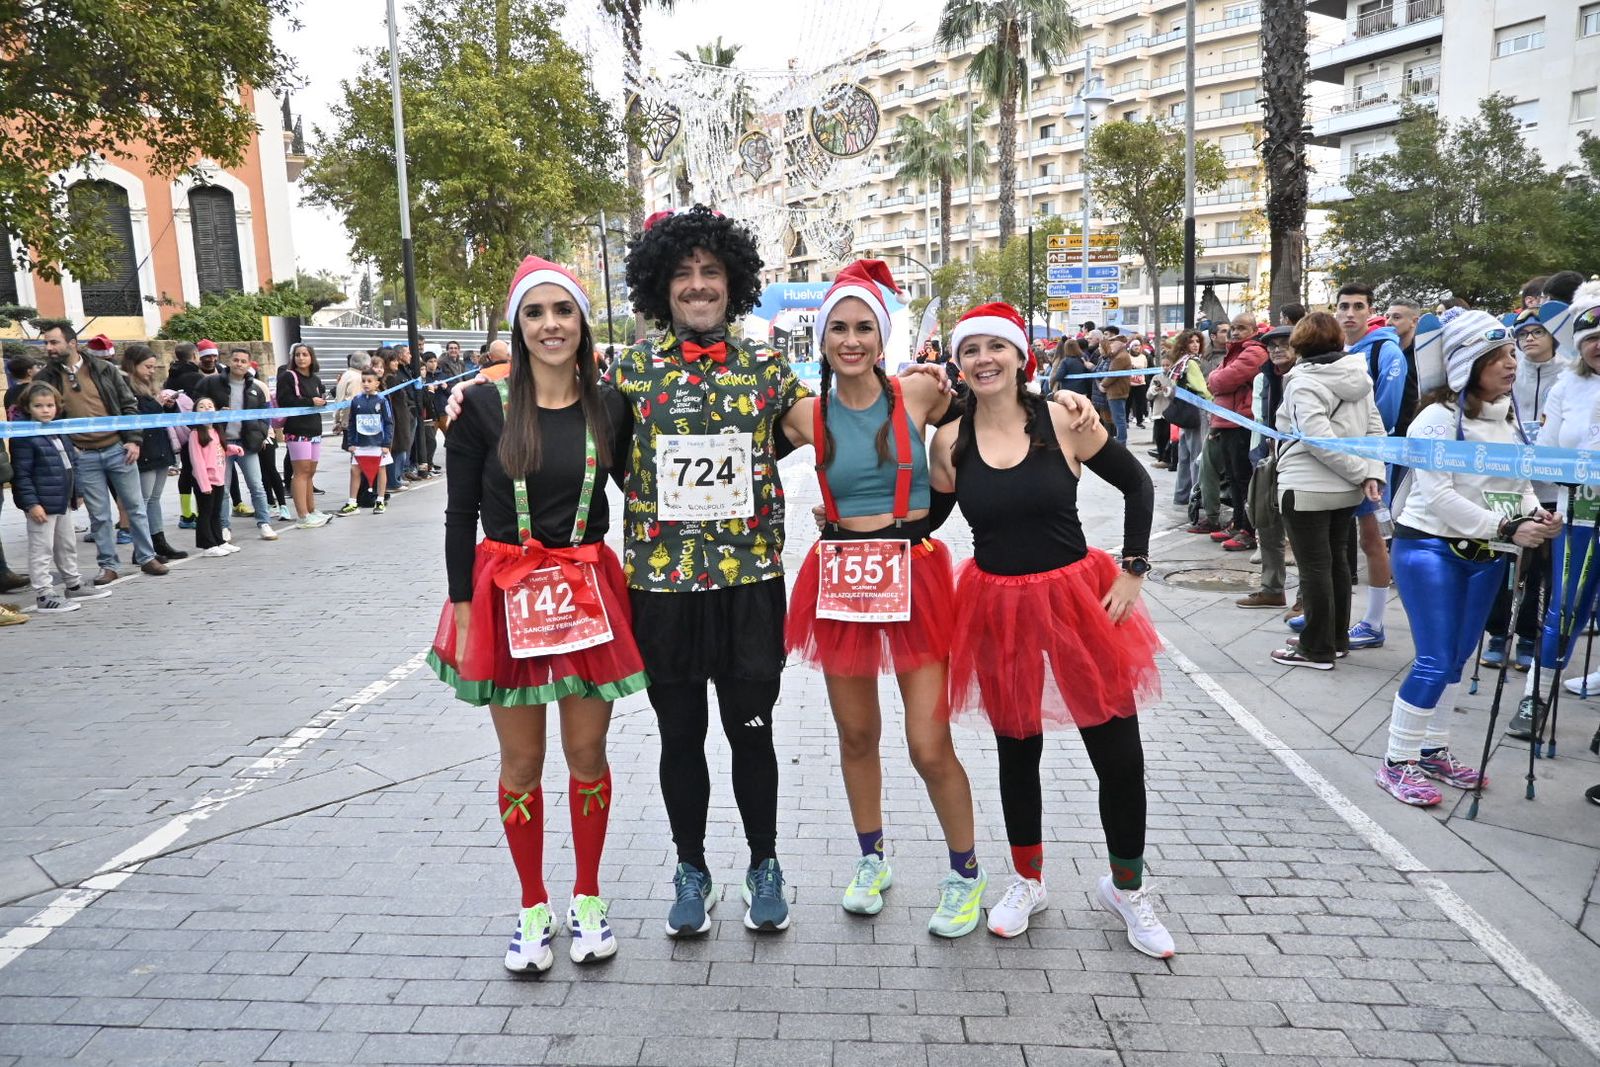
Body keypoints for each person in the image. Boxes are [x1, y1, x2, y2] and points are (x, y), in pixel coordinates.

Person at [929, 301, 1170, 955]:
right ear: (959, 361)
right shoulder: (949, 440)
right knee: (1017, 750)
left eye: (995, 347)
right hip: (996, 605)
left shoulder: (1063, 416)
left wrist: (1134, 569)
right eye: (970, 348)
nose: (983, 358)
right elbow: (926, 519)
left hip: (1077, 600)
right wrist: (849, 525)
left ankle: (1127, 887)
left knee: (1118, 754)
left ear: (1018, 355)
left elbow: (1137, 484)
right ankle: (1028, 880)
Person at [429, 257, 643, 973]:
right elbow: (459, 515)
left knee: (587, 755)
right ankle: (532, 904)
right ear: (518, 327)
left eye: (563, 311)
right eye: (535, 313)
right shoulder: (483, 408)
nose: (551, 324)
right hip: (506, 596)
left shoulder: (611, 405)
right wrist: (463, 612)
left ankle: (588, 896)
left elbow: (648, 489)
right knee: (522, 761)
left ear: (583, 323)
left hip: (585, 597)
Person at [780, 260, 986, 937]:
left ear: (883, 334)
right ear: (821, 338)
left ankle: (965, 871)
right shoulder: (807, 413)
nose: (851, 339)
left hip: (914, 573)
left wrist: (1061, 408)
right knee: (857, 733)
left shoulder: (921, 393)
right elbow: (724, 444)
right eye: (838, 327)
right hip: (841, 578)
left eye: (864, 326)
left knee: (928, 742)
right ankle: (872, 859)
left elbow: (987, 419)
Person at [1377, 309, 1560, 806]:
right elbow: (1438, 499)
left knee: (1458, 658)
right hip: (1430, 549)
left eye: (1512, 355)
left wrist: (1538, 516)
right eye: (1498, 356)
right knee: (1435, 659)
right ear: (1467, 364)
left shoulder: (1508, 418)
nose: (1511, 364)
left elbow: (1518, 487)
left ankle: (1432, 749)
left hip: (1489, 555)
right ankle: (1396, 761)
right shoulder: (1435, 420)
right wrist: (1507, 526)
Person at [1267, 314, 1386, 668]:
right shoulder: (1358, 378)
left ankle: (1316, 648)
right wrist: (1369, 474)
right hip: (1346, 491)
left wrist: (1360, 472)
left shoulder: (1302, 382)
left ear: (1299, 345)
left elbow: (1318, 440)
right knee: (1335, 563)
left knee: (1315, 568)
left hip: (1307, 487)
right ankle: (1334, 638)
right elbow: (1376, 431)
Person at [1509, 282, 1600, 735]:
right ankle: (1535, 696)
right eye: (1590, 338)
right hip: (1577, 511)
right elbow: (1546, 451)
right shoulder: (1568, 385)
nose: (1598, 346)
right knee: (1564, 609)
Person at [32, 321, 168, 582]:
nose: (47, 347)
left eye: (53, 342)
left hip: (118, 449)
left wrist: (133, 440)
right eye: (46, 342)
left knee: (135, 507)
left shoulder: (103, 369)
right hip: (83, 454)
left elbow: (129, 405)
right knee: (99, 515)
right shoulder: (45, 378)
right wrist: (69, 450)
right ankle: (108, 564)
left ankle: (147, 557)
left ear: (71, 344)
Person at [1479, 306, 1566, 677]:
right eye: (1523, 333)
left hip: (1550, 485)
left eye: (1538, 331)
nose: (1529, 338)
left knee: (1539, 567)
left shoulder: (1568, 377)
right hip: (1509, 482)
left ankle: (1529, 637)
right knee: (1503, 562)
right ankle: (1498, 633)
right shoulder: (1510, 372)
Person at [1335, 283, 1404, 649]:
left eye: (1357, 306)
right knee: (1334, 537)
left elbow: (1386, 411)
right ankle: (1330, 613)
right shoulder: (1336, 350)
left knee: (1372, 539)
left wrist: (1369, 458)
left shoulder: (1385, 350)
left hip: (1371, 458)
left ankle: (1375, 622)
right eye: (1343, 306)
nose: (1349, 313)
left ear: (1369, 311)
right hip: (1338, 460)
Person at [9, 382, 112, 613]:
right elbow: (22, 474)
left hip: (62, 500)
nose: (46, 410)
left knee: (66, 545)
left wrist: (78, 492)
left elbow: (72, 464)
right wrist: (32, 503)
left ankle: (73, 585)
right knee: (41, 549)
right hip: (41, 505)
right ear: (28, 407)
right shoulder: (25, 434)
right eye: (39, 406)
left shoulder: (57, 429)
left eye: (50, 405)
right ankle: (44, 594)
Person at [1237, 325, 1296, 610]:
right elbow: (1263, 418)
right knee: (1265, 520)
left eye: (1285, 343)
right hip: (1270, 457)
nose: (1277, 349)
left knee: (1300, 529)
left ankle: (1307, 600)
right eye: (1272, 345)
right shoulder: (1268, 376)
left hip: (1303, 461)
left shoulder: (1306, 376)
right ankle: (1272, 588)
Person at [192, 349, 279, 541]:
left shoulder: (255, 386)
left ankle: (264, 523)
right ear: (229, 362)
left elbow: (265, 415)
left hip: (247, 443)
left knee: (256, 485)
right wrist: (215, 416)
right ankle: (224, 526)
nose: (239, 364)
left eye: (243, 361)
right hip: (221, 443)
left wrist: (261, 434)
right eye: (236, 360)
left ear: (249, 364)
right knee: (223, 487)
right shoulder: (212, 383)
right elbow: (197, 405)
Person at [1200, 314, 1267, 551]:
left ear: (1253, 330)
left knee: (1243, 479)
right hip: (1226, 423)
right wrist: (1216, 379)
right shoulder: (1233, 352)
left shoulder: (1254, 352)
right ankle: (1238, 524)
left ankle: (1248, 530)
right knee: (1233, 479)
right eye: (1233, 329)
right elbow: (1213, 380)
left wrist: (1216, 380)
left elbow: (1221, 381)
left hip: (1242, 424)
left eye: (1241, 328)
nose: (1235, 333)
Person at [120, 344, 188, 562]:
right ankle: (142, 547)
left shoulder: (147, 387)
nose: (151, 371)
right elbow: (132, 416)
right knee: (143, 499)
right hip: (143, 448)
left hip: (159, 445)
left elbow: (155, 414)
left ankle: (158, 541)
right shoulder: (126, 387)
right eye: (147, 366)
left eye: (153, 367)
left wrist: (165, 405)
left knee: (154, 499)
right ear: (133, 365)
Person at [276, 343, 330, 529]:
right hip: (297, 429)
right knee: (300, 472)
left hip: (314, 428)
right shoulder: (288, 377)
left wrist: (321, 402)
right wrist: (309, 401)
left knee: (310, 472)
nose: (301, 358)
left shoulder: (315, 379)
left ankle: (312, 509)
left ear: (312, 357)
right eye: (297, 355)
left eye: (305, 354)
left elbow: (319, 399)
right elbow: (284, 401)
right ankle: (303, 515)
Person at [187, 396, 238, 557]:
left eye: (210, 405)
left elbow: (218, 450)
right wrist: (204, 484)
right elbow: (197, 460)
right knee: (205, 512)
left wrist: (232, 449)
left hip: (219, 478)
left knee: (216, 512)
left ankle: (219, 541)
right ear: (195, 412)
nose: (207, 408)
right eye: (202, 406)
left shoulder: (216, 431)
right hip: (205, 481)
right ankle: (207, 545)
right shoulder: (195, 434)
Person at [338, 369, 393, 515]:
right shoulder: (356, 400)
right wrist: (351, 443)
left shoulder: (382, 400)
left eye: (370, 381)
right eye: (363, 381)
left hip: (378, 444)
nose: (366, 384)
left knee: (381, 470)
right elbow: (351, 423)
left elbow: (388, 423)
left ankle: (380, 500)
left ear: (377, 383)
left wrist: (386, 443)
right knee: (354, 471)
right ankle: (352, 503)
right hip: (360, 444)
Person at [1167, 330, 1211, 512]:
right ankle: (1196, 497)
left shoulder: (1178, 362)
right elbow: (1201, 389)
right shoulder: (1192, 363)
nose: (1195, 345)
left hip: (1183, 413)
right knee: (1197, 457)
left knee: (1184, 457)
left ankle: (1181, 495)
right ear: (1184, 345)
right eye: (1191, 342)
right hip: (1196, 412)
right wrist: (1214, 405)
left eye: (1197, 341)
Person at [1100, 328, 1135, 445]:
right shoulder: (1119, 355)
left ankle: (1121, 442)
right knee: (1118, 418)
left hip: (1117, 391)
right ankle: (1120, 441)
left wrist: (1103, 384)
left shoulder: (1120, 357)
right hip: (1118, 390)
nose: (1111, 346)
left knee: (1119, 419)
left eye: (1113, 343)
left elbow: (1112, 374)